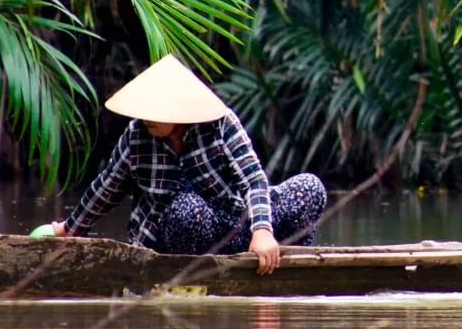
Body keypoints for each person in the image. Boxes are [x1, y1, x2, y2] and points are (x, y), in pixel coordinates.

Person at [40, 55, 326, 273]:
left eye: (156, 111)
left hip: (233, 226)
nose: (147, 117)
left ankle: (274, 263)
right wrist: (70, 228)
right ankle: (193, 279)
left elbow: (253, 180)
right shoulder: (138, 135)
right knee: (187, 210)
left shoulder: (220, 125)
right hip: (177, 237)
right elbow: (107, 187)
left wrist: (262, 230)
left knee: (310, 188)